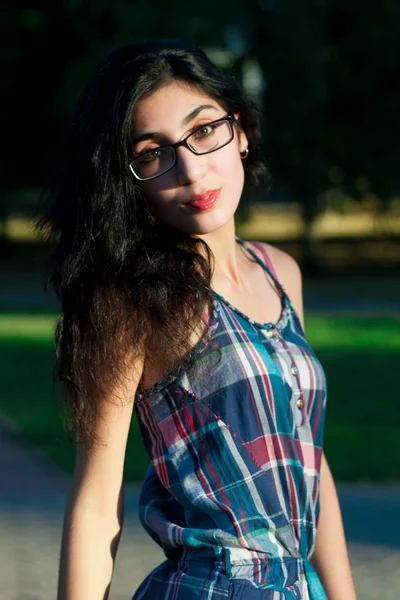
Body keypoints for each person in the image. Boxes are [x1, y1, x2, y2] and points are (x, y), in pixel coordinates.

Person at [37, 39, 357, 600]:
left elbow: (308, 455)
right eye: (152, 154)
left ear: (241, 130)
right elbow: (95, 502)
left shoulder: (281, 271)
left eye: (204, 130)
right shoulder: (133, 304)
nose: (190, 167)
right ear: (128, 181)